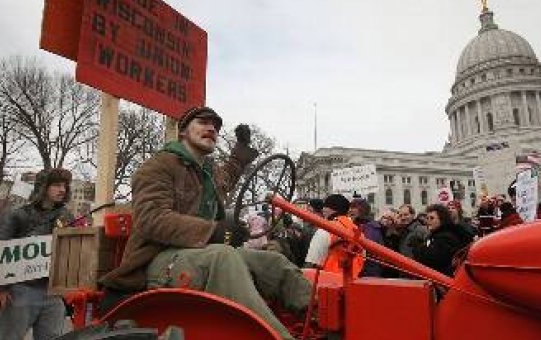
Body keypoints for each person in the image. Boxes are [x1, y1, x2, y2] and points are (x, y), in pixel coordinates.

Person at [98, 107, 310, 340]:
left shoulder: (208, 173)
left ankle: (315, 315)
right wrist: (213, 231)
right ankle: (272, 335)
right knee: (223, 256)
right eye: (203, 122)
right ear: (183, 132)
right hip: (153, 260)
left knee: (271, 261)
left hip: (195, 253)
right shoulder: (158, 166)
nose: (212, 128)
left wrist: (240, 152)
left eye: (216, 126)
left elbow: (229, 175)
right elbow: (152, 219)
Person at [0, 168, 74, 340]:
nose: (62, 190)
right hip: (20, 289)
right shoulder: (18, 214)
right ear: (43, 187)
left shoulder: (66, 215)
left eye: (64, 186)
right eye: (57, 185)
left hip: (53, 292)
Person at [304, 194, 364, 277]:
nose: (323, 209)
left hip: (329, 283)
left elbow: (313, 263)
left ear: (331, 209)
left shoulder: (325, 230)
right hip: (353, 282)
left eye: (325, 206)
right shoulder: (358, 231)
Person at [413, 204, 473, 277]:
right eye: (427, 218)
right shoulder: (434, 236)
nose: (428, 221)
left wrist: (417, 249)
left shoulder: (446, 238)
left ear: (442, 220)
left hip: (443, 281)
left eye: (432, 218)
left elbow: (432, 261)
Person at [382, 204, 429, 278]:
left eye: (406, 215)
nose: (403, 218)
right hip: (405, 272)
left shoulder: (420, 229)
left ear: (413, 215)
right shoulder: (403, 231)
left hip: (416, 274)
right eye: (400, 215)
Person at [348, 198, 384, 277]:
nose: (350, 210)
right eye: (349, 208)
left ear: (363, 210)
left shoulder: (371, 228)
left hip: (368, 273)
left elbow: (365, 249)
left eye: (353, 207)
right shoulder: (356, 225)